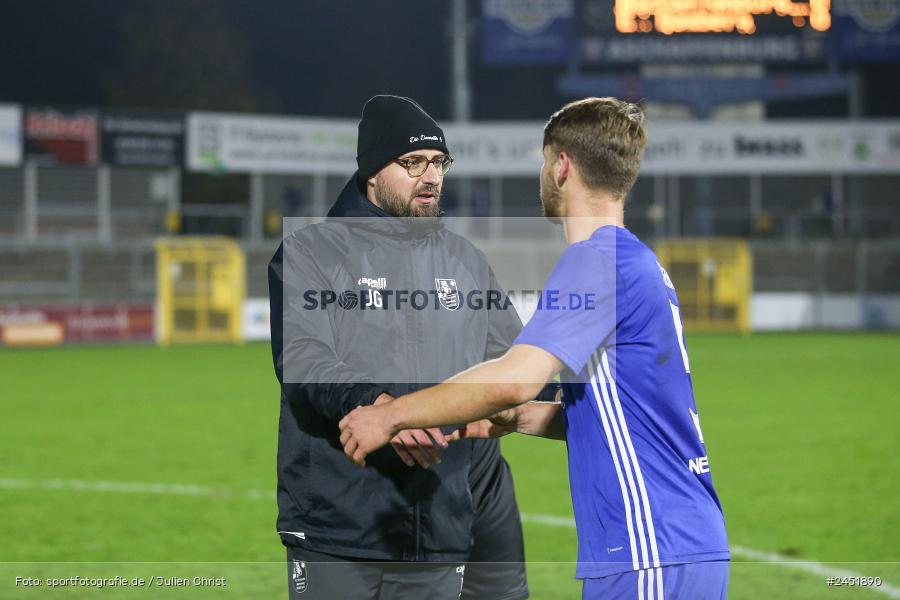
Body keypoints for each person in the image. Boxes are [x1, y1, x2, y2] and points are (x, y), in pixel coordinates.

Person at [339, 97, 731, 599]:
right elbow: (619, 416)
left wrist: (391, 416)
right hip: (676, 541)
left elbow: (512, 377)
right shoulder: (636, 260)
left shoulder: (594, 261)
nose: (543, 173)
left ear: (562, 165)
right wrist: (521, 418)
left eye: (544, 161)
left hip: (648, 545)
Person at [268, 95, 536, 600]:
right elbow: (304, 362)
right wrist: (382, 407)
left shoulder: (465, 260)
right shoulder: (310, 254)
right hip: (340, 527)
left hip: (438, 526)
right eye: (412, 163)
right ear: (372, 172)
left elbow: (513, 361)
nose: (430, 176)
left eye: (439, 163)